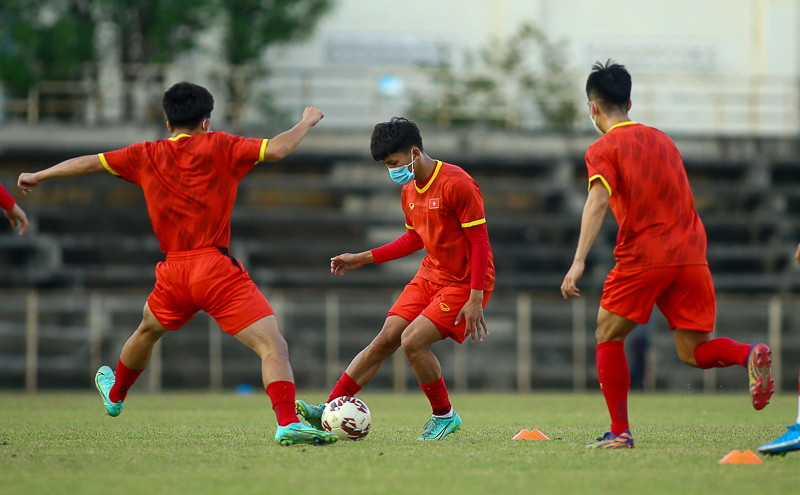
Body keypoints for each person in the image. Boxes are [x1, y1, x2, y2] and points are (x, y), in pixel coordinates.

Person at [17, 81, 336, 446]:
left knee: (146, 331)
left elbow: (91, 161)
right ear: (206, 121)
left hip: (173, 272)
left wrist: (40, 175)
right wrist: (307, 121)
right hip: (214, 268)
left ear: (168, 123)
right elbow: (278, 149)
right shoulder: (222, 144)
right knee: (272, 346)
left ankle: (117, 394)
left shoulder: (145, 153)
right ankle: (285, 422)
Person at [560, 61, 774, 449]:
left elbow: (597, 200)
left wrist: (578, 261)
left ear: (593, 108)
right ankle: (748, 355)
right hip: (691, 253)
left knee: (607, 334)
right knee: (693, 351)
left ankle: (620, 432)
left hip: (645, 253)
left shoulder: (604, 147)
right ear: (629, 101)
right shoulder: (664, 140)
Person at [296, 117, 495, 440]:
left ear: (415, 153)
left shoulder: (458, 183)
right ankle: (330, 406)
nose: (392, 170)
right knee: (386, 338)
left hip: (465, 280)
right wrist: (362, 257)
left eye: (394, 162)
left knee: (413, 341)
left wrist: (475, 298)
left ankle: (444, 415)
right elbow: (413, 239)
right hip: (431, 273)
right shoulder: (409, 190)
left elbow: (480, 241)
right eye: (387, 165)